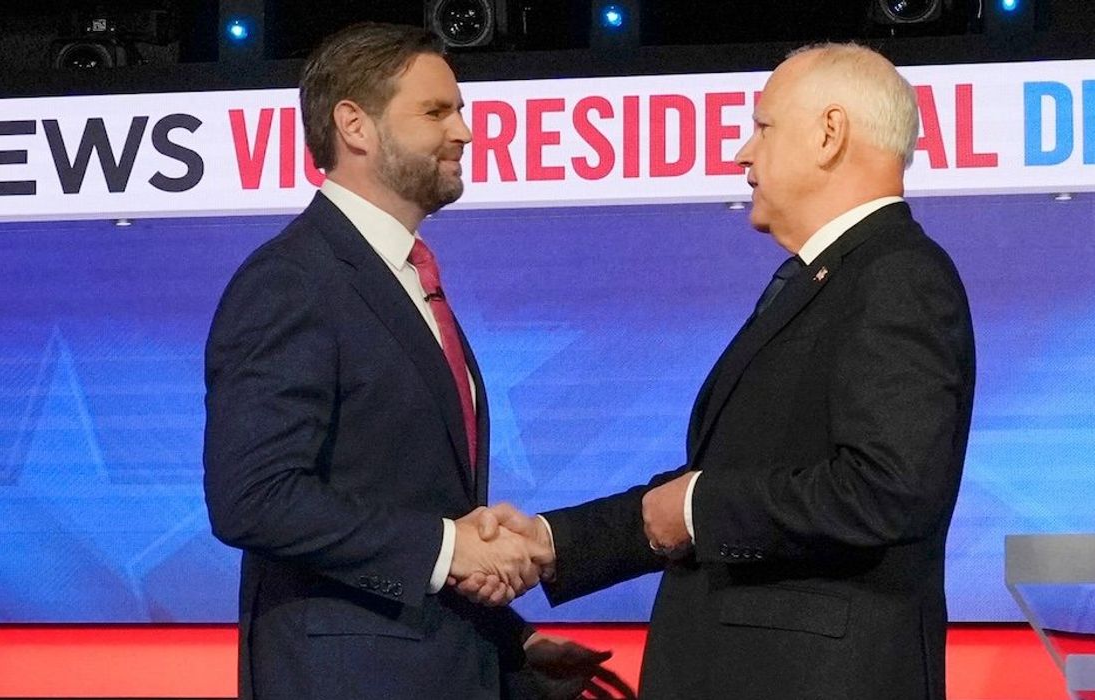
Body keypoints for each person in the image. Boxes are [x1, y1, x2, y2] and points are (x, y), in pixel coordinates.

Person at [466, 42, 976, 699]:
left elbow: (888, 490)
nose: (742, 153)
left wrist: (699, 506)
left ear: (829, 134)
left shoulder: (895, 276)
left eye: (761, 127)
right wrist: (554, 542)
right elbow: (725, 482)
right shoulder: (832, 280)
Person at [203, 22, 615, 700]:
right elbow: (254, 499)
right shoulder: (293, 280)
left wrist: (512, 640)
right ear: (355, 126)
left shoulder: (402, 276)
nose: (465, 132)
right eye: (435, 111)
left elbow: (411, 505)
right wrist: (452, 550)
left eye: (459, 110)